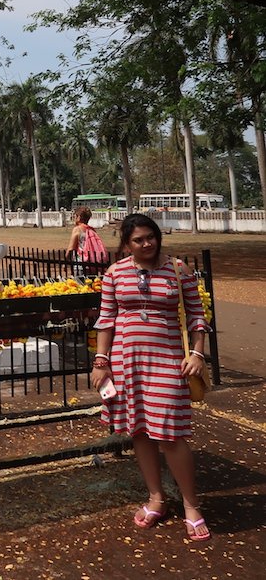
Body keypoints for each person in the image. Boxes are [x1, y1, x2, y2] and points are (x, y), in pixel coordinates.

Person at [90, 213, 211, 541]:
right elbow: (106, 318)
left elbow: (197, 315)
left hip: (169, 361)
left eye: (150, 237)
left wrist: (197, 354)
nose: (147, 244)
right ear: (126, 244)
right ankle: (156, 498)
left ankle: (190, 505)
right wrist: (101, 362)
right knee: (140, 432)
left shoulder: (178, 269)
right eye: (138, 240)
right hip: (127, 362)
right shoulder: (115, 273)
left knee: (171, 435)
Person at [66, 206, 108, 274]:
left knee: (80, 284)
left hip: (80, 263)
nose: (73, 219)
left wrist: (65, 261)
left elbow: (71, 249)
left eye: (74, 216)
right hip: (92, 264)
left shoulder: (77, 229)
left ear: (78, 217)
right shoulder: (92, 230)